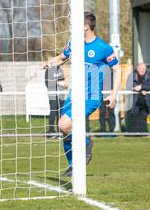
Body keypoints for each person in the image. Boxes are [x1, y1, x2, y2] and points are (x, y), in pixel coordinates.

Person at [42, 12, 122, 177]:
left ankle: (86, 143)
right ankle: (73, 166)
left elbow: (117, 68)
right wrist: (49, 63)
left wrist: (114, 94)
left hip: (91, 97)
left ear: (86, 27)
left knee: (64, 124)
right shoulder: (74, 43)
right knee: (64, 131)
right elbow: (62, 57)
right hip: (73, 95)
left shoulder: (103, 47)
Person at [127, 63, 150, 133]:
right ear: (137, 69)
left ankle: (143, 133)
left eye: (144, 69)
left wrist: (141, 87)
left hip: (145, 100)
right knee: (135, 116)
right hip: (134, 100)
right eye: (141, 69)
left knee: (143, 116)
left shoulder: (149, 75)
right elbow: (129, 86)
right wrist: (140, 89)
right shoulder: (131, 75)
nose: (142, 70)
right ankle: (134, 133)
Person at [45, 65, 67, 138]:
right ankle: (51, 131)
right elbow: (48, 84)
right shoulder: (49, 70)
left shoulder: (60, 69)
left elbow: (63, 82)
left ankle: (59, 132)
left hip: (61, 95)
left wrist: (63, 84)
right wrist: (57, 82)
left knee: (60, 114)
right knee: (53, 113)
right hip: (53, 95)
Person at [99, 65, 116, 136]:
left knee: (111, 112)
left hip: (110, 93)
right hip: (102, 93)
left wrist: (113, 92)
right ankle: (103, 131)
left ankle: (111, 131)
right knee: (102, 112)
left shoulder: (112, 70)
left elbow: (115, 81)